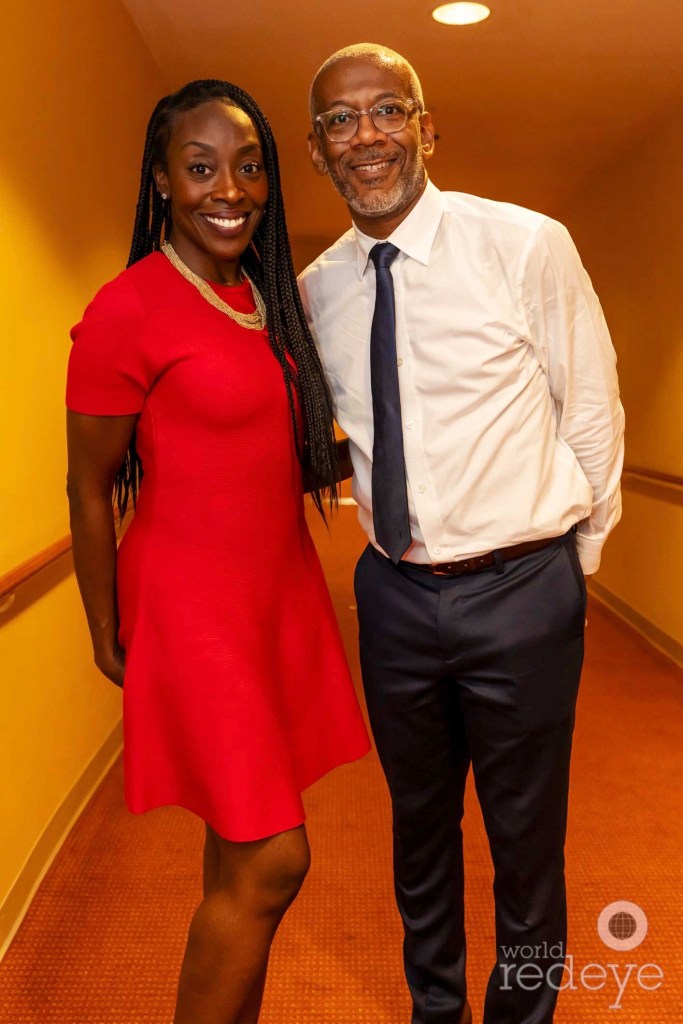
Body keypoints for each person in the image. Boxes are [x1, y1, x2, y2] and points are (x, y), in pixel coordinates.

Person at [299, 43, 624, 1024]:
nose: (365, 135)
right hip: (393, 596)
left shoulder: (523, 244)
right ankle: (433, 1010)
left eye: (386, 110)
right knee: (418, 833)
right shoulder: (317, 289)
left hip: (521, 590)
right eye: (339, 120)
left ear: (425, 127)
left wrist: (564, 568)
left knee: (525, 843)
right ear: (316, 150)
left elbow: (591, 409)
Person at [66, 79, 369, 1024]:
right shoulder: (126, 308)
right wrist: (103, 625)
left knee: (238, 854)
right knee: (276, 857)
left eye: (248, 167)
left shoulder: (265, 300)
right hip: (192, 612)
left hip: (273, 599)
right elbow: (87, 486)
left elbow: (281, 450)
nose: (227, 190)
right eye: (200, 168)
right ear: (162, 180)